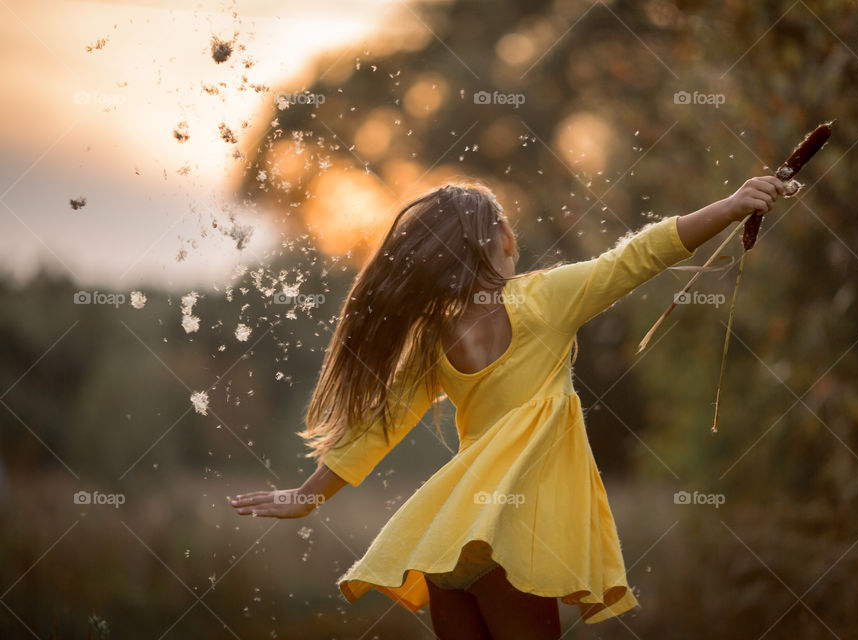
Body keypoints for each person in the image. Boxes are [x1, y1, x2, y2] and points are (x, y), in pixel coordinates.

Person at [232, 176, 786, 639]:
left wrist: (305, 496)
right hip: (512, 535)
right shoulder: (544, 300)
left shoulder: (432, 337)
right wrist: (733, 205)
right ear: (499, 235)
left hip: (449, 545)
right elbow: (637, 257)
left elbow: (378, 430)